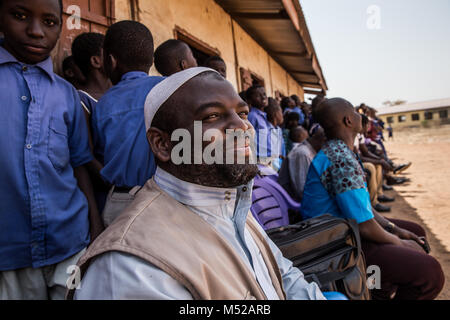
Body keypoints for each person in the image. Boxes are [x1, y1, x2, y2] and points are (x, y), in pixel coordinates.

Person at [69, 67, 326, 300]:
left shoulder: (231, 205)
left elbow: (283, 276)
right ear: (163, 144)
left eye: (242, 113)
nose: (242, 126)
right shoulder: (131, 265)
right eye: (212, 116)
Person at [0, 0, 103, 299]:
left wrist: (95, 229)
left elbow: (78, 163)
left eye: (49, 22)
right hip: (9, 253)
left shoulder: (66, 93)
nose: (35, 32)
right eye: (20, 16)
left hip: (68, 242)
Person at [301, 98, 444, 300]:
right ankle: (377, 286)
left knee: (414, 232)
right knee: (430, 274)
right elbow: (365, 226)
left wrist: (395, 229)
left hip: (346, 233)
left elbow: (363, 207)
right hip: (336, 245)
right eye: (356, 112)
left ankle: (377, 290)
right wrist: (399, 243)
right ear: (348, 120)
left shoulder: (339, 151)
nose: (362, 116)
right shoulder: (340, 159)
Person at [91, 20, 164, 227]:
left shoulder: (104, 104)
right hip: (168, 195)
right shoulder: (168, 89)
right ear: (151, 60)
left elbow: (101, 154)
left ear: (111, 61)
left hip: (122, 200)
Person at [71, 32, 112, 213]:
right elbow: (86, 157)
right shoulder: (82, 100)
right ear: (96, 61)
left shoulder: (116, 95)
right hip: (106, 192)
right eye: (110, 52)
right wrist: (115, 183)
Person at [278, 126, 326, 202]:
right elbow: (303, 191)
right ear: (323, 141)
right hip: (294, 206)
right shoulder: (303, 154)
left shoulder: (308, 152)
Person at [247, 85, 276, 165]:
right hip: (259, 162)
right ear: (250, 100)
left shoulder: (265, 116)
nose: (263, 97)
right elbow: (247, 140)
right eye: (258, 95)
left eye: (264, 94)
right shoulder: (252, 116)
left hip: (269, 160)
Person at [265, 101, 285, 171]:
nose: (283, 115)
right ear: (275, 114)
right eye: (281, 112)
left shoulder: (278, 129)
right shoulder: (267, 131)